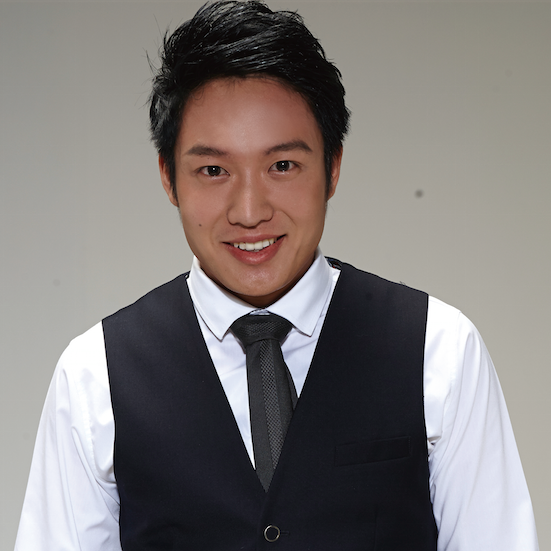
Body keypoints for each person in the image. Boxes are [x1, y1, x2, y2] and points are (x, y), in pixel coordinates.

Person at [15, 1, 539, 550]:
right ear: (169, 177)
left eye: (282, 166)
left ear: (332, 167)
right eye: (213, 170)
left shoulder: (439, 349)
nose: (249, 211)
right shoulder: (94, 374)